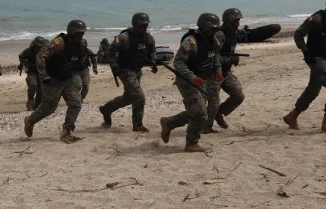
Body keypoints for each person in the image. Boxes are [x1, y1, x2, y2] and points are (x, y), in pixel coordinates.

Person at [282, 0, 326, 133]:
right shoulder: (316, 19)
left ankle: (292, 116)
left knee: (313, 89)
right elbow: (298, 34)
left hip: (325, 58)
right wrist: (306, 52)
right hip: (315, 58)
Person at [159, 13, 223, 152]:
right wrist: (192, 77)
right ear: (205, 27)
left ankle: (169, 123)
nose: (214, 31)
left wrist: (218, 70)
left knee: (196, 111)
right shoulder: (190, 42)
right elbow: (179, 63)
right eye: (212, 28)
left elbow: (215, 56)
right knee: (201, 113)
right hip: (187, 81)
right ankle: (191, 143)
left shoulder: (213, 40)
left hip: (202, 80)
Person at [23, 20, 86, 143]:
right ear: (72, 32)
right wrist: (43, 76)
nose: (81, 36)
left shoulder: (79, 45)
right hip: (53, 80)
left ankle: (67, 132)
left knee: (76, 104)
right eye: (79, 33)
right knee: (48, 109)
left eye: (82, 33)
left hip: (68, 79)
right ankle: (30, 120)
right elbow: (41, 56)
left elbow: (77, 61)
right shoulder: (59, 43)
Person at [99, 13, 157, 132]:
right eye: (143, 25)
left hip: (137, 70)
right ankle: (138, 125)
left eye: (146, 25)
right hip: (125, 70)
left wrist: (153, 61)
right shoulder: (124, 37)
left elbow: (152, 49)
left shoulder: (148, 37)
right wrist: (114, 65)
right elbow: (110, 52)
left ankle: (106, 109)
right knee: (139, 97)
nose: (145, 27)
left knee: (130, 97)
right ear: (136, 24)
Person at [202, 8, 247, 133]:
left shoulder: (233, 32)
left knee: (238, 95)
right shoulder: (219, 35)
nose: (239, 23)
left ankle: (219, 113)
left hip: (226, 73)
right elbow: (212, 57)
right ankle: (206, 126)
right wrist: (230, 60)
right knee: (213, 102)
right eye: (237, 20)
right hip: (213, 74)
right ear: (230, 21)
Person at [18, 36, 48, 111]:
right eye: (38, 47)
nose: (39, 48)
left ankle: (37, 106)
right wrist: (23, 63)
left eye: (41, 47)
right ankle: (30, 100)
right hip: (32, 72)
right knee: (32, 84)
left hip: (42, 73)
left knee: (41, 90)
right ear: (34, 46)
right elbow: (21, 56)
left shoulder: (45, 52)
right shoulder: (28, 51)